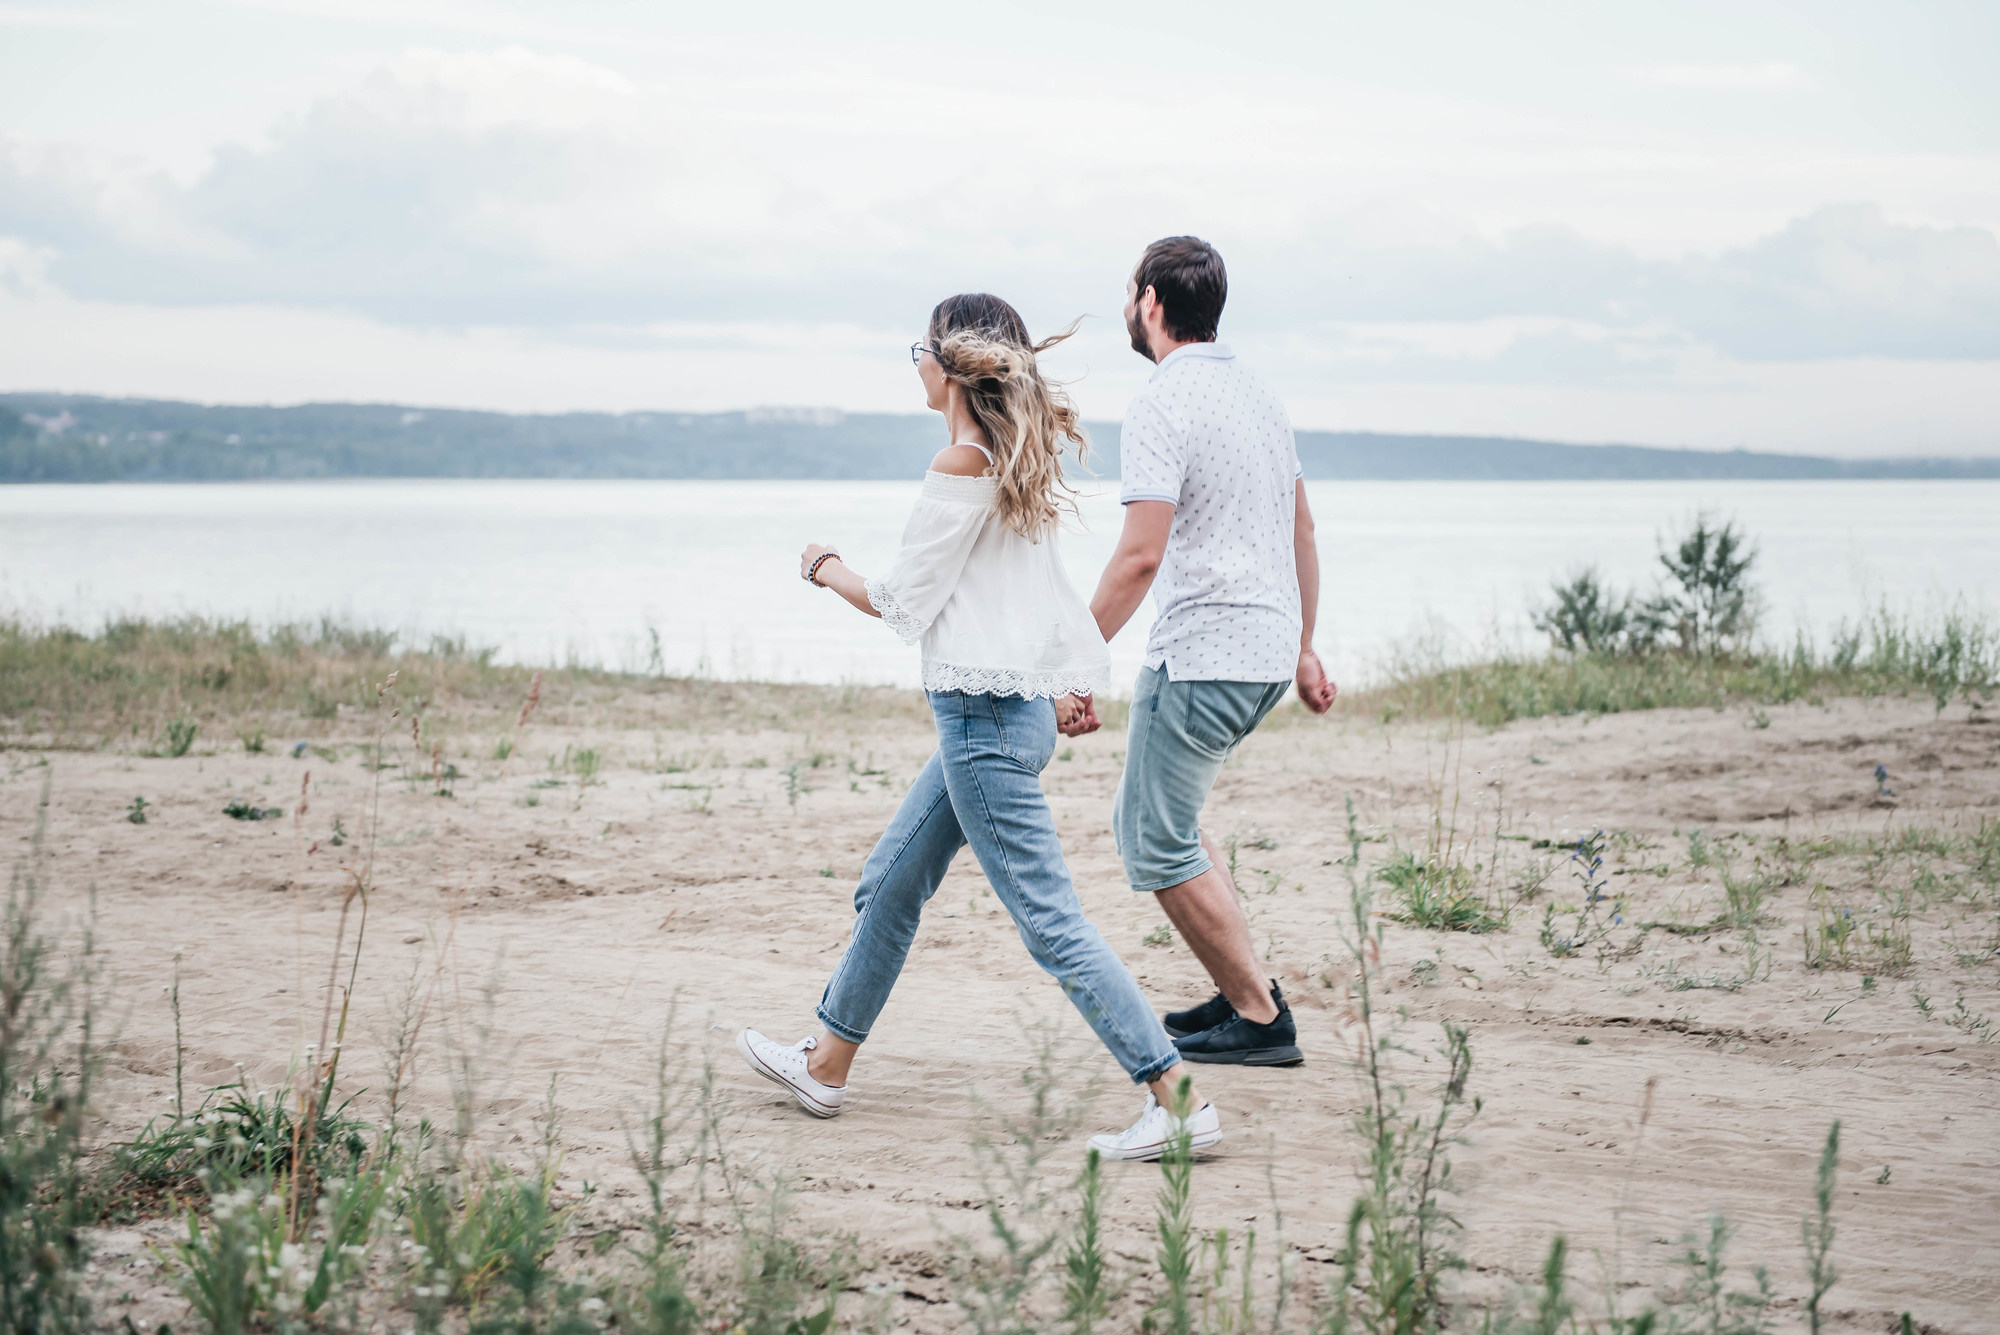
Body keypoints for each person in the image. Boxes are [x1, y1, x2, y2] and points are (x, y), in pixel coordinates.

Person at [736, 292, 1221, 1161]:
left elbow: (900, 605)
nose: (912, 362)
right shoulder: (1013, 457)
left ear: (947, 361)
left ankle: (1177, 1095)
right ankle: (827, 1063)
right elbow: (1037, 595)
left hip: (983, 727)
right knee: (890, 881)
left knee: (1051, 922)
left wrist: (823, 566)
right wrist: (1068, 680)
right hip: (1008, 713)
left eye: (914, 347)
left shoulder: (965, 462)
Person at [1068, 236, 1337, 1066]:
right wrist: (1304, 647)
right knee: (1173, 822)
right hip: (1259, 654)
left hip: (1205, 650)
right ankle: (1240, 991)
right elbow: (1301, 526)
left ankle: (1260, 1017)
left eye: (1128, 293)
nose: (1126, 306)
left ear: (1151, 302)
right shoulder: (1258, 394)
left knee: (1151, 838)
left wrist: (1071, 658)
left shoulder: (1162, 398)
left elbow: (1140, 555)